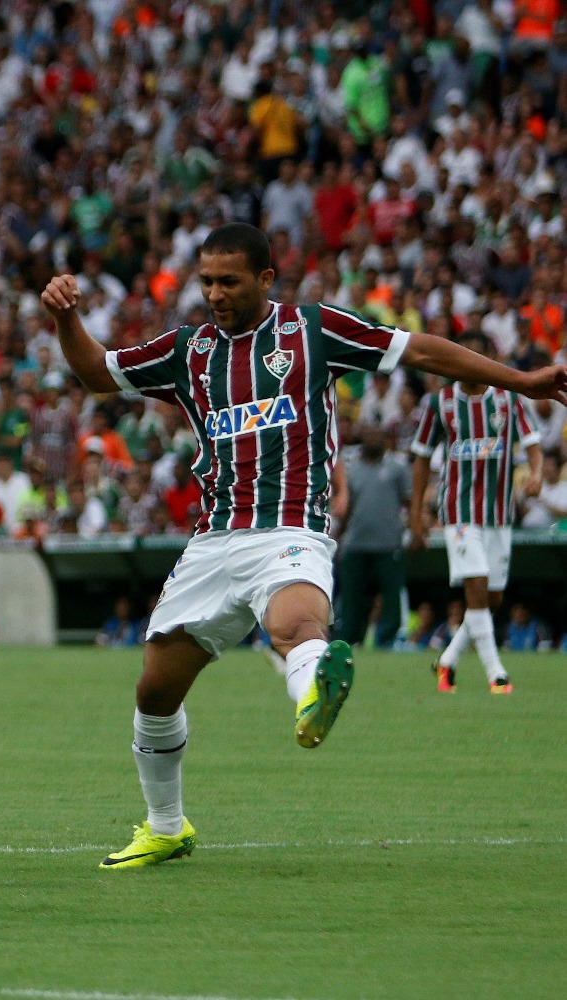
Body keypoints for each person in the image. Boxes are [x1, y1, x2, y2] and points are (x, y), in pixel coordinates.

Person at [41, 222, 567, 870]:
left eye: (229, 281)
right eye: (206, 282)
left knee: (294, 625)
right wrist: (66, 317)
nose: (215, 294)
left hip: (291, 527)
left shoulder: (313, 331)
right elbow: (98, 373)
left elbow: (423, 352)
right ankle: (167, 827)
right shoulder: (189, 350)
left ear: (266, 278)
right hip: (215, 538)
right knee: (154, 692)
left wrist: (520, 380)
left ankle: (315, 686)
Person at [409, 331, 543, 696]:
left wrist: (536, 473)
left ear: (487, 360)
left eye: (475, 357)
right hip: (459, 510)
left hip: (499, 512)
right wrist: (417, 515)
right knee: (478, 587)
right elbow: (421, 458)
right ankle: (496, 674)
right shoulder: (440, 403)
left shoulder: (507, 399)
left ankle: (447, 660)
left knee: (491, 598)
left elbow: (533, 443)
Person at [335, 426, 410, 648]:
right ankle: (351, 637)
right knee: (352, 596)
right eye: (370, 435)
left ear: (386, 441)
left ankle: (388, 639)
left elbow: (408, 501)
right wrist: (339, 536)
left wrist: (411, 528)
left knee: (391, 595)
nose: (374, 440)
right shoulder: (352, 470)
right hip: (355, 543)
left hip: (388, 543)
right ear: (362, 439)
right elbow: (346, 507)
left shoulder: (397, 468)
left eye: (378, 436)